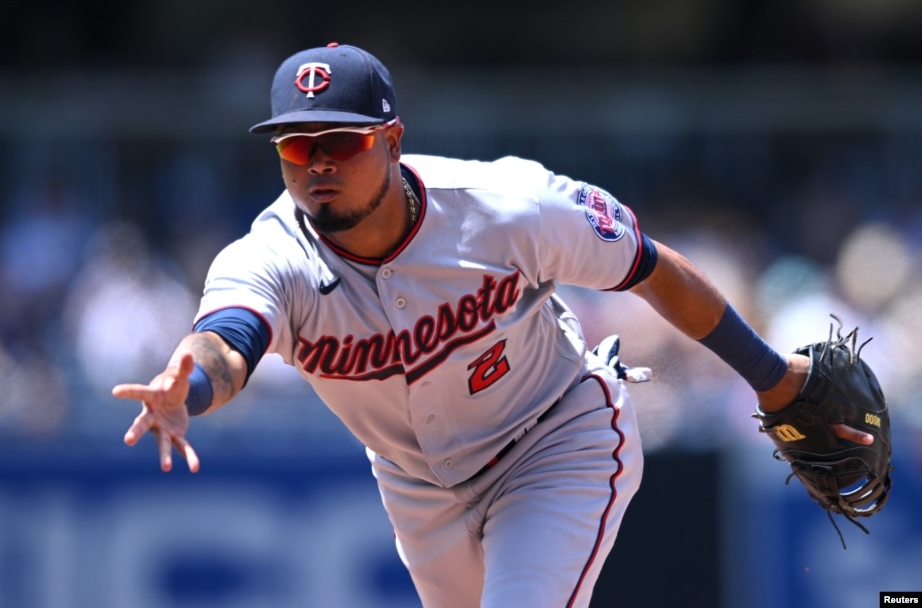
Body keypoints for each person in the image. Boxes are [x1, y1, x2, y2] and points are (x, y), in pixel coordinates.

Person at [111, 42, 873, 608]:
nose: (317, 164)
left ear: (392, 139)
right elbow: (229, 335)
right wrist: (196, 384)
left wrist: (773, 377)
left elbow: (650, 267)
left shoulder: (508, 208)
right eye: (296, 147)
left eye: (340, 142)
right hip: (418, 487)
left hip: (555, 439)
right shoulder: (271, 251)